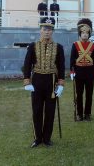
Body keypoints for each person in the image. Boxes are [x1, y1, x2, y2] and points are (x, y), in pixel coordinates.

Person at [23, 17, 65, 148]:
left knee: (50, 111)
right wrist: (27, 81)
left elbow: (61, 66)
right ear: (40, 30)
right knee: (37, 110)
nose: (47, 32)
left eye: (50, 29)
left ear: (53, 31)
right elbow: (27, 64)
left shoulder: (59, 47)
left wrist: (61, 84)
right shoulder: (33, 46)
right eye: (45, 29)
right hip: (36, 81)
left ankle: (47, 138)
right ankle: (37, 138)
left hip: (51, 81)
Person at [70, 18, 94, 121]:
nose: (85, 34)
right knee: (79, 95)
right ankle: (79, 114)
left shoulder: (93, 46)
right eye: (83, 32)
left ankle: (87, 113)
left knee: (89, 94)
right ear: (79, 33)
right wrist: (72, 71)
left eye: (87, 32)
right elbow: (72, 59)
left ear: (89, 34)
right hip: (78, 72)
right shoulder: (75, 45)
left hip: (90, 73)